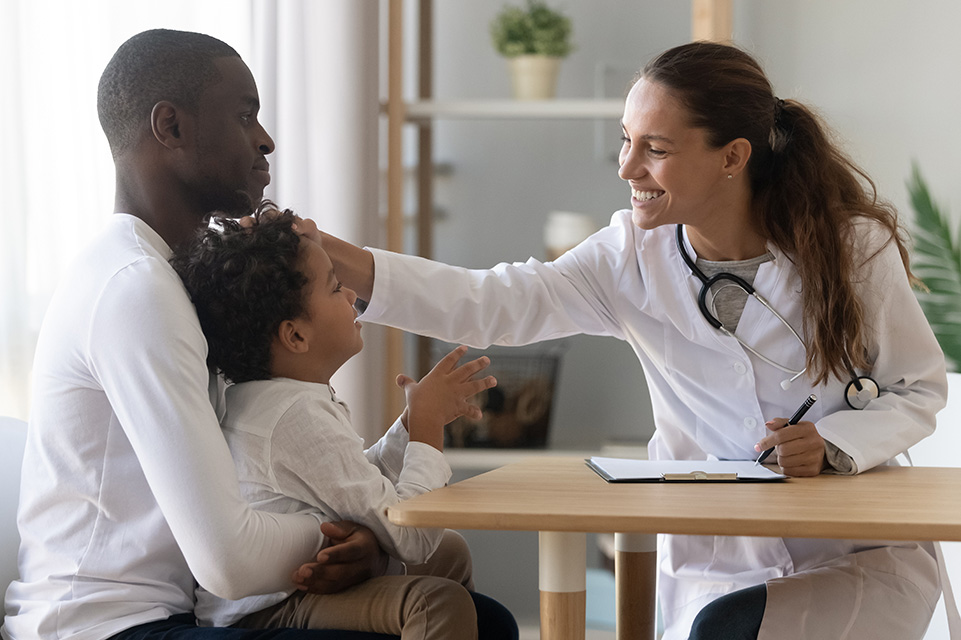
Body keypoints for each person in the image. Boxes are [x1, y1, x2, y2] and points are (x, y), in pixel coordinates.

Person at [316, 42, 948, 640]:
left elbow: (916, 388)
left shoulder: (850, 248)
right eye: (626, 140)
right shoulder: (628, 258)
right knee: (721, 625)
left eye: (656, 148)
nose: (626, 167)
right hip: (716, 564)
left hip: (856, 555)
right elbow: (491, 303)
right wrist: (327, 254)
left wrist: (834, 444)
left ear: (732, 156)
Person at [1, 29, 514, 640]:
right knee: (465, 620)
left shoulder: (176, 275)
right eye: (245, 116)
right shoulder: (134, 288)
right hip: (108, 626)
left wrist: (365, 532)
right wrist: (365, 531)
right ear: (170, 128)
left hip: (183, 608)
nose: (265, 139)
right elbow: (229, 558)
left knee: (486, 622)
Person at [169, 205, 499, 640]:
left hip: (283, 595)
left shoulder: (276, 399)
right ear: (296, 336)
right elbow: (412, 539)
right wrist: (427, 429)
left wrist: (407, 428)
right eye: (336, 287)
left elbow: (352, 485)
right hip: (269, 611)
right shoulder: (294, 416)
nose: (350, 296)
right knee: (438, 601)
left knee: (450, 549)